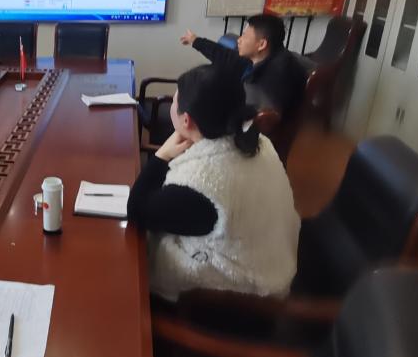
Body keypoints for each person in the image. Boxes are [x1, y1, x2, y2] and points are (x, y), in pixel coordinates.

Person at [127, 65, 300, 302]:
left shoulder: (202, 184)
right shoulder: (258, 142)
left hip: (232, 299)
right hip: (270, 262)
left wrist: (162, 156)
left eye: (176, 102)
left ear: (186, 120)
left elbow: (137, 209)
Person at [180, 14, 308, 121]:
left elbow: (255, 120)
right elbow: (226, 57)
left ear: (262, 44)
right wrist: (195, 41)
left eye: (244, 35)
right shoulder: (267, 57)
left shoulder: (269, 81)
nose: (239, 40)